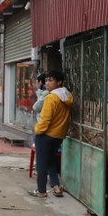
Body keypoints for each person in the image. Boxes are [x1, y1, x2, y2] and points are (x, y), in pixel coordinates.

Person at [32, 70, 74, 199]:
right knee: (51, 161)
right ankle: (56, 186)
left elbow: (45, 119)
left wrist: (37, 131)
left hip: (45, 135)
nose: (47, 83)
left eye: (51, 80)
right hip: (58, 135)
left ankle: (41, 190)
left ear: (59, 82)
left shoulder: (51, 97)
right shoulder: (67, 96)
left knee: (41, 164)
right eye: (46, 81)